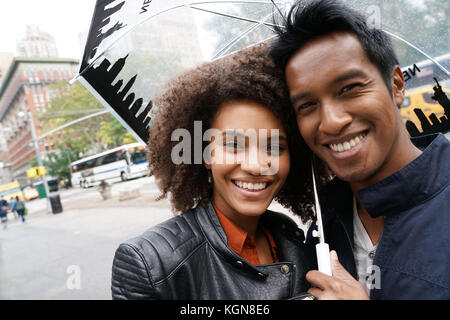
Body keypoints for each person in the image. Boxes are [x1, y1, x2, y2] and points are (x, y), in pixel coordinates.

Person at [270, 0, 450, 299]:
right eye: (308, 105)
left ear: (396, 85)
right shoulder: (321, 230)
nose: (331, 123)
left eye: (349, 89)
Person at [111, 44, 319, 300]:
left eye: (274, 146)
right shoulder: (152, 262)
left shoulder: (290, 235)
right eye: (233, 145)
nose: (255, 166)